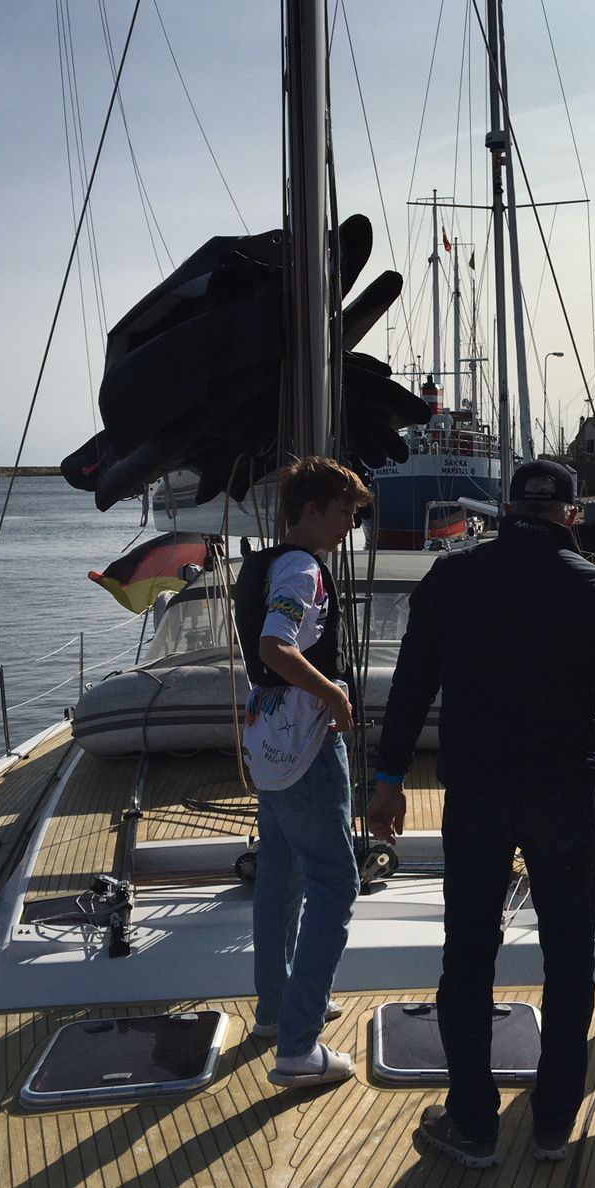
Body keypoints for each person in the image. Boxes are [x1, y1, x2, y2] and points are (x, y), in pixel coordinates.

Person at [368, 458, 595, 1168]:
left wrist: (388, 777)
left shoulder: (452, 577)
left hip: (476, 792)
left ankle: (473, 1125)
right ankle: (554, 1123)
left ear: (505, 509)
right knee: (568, 955)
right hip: (562, 794)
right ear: (571, 514)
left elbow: (410, 686)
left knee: (469, 955)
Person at [241, 455, 372, 1089]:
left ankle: (276, 1008)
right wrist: (334, 696)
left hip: (268, 738)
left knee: (279, 872)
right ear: (312, 510)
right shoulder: (302, 570)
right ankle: (298, 1045)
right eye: (345, 512)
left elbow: (262, 653)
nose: (351, 524)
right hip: (307, 740)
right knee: (334, 883)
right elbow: (276, 645)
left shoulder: (263, 564)